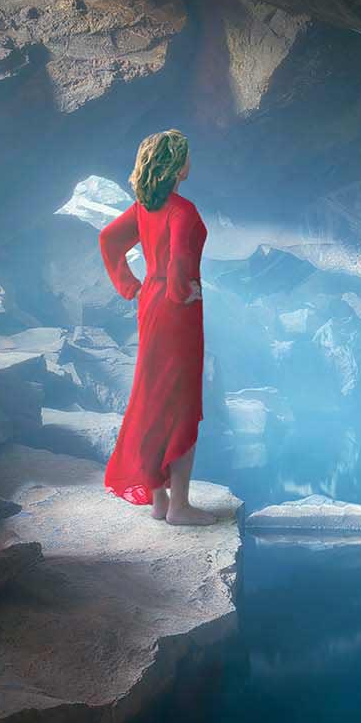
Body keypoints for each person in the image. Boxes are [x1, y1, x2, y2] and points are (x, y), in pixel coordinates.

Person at [97, 129, 215, 525]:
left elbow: (109, 240)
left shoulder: (143, 208)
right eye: (187, 156)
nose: (190, 162)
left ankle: (159, 501)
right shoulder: (183, 210)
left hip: (150, 303)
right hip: (176, 312)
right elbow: (180, 257)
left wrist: (130, 286)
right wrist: (184, 291)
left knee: (154, 396)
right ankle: (180, 506)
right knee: (181, 403)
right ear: (178, 166)